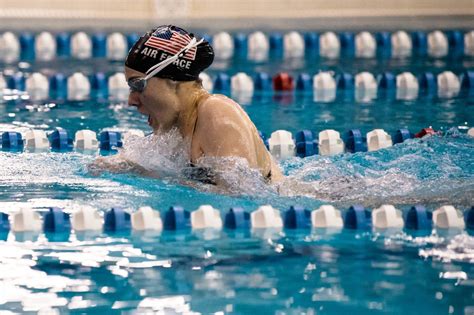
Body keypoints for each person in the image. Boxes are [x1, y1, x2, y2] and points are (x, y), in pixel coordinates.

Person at [92, 25, 282, 186]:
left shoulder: (217, 112)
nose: (131, 100)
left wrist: (165, 180)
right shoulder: (176, 131)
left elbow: (242, 197)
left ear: (172, 80)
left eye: (138, 85)